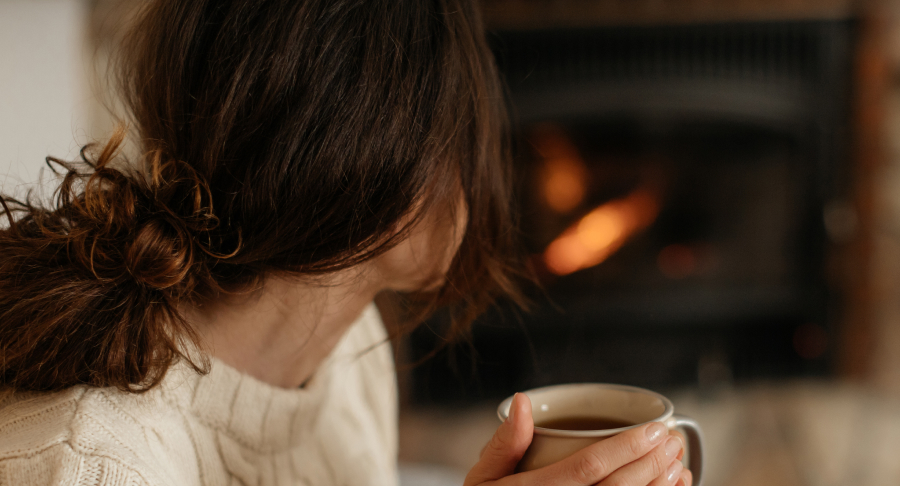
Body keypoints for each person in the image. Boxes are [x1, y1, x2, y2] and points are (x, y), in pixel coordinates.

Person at [0, 1, 691, 485]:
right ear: (380, 159)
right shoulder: (96, 466)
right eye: (462, 136)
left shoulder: (347, 357)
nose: (481, 180)